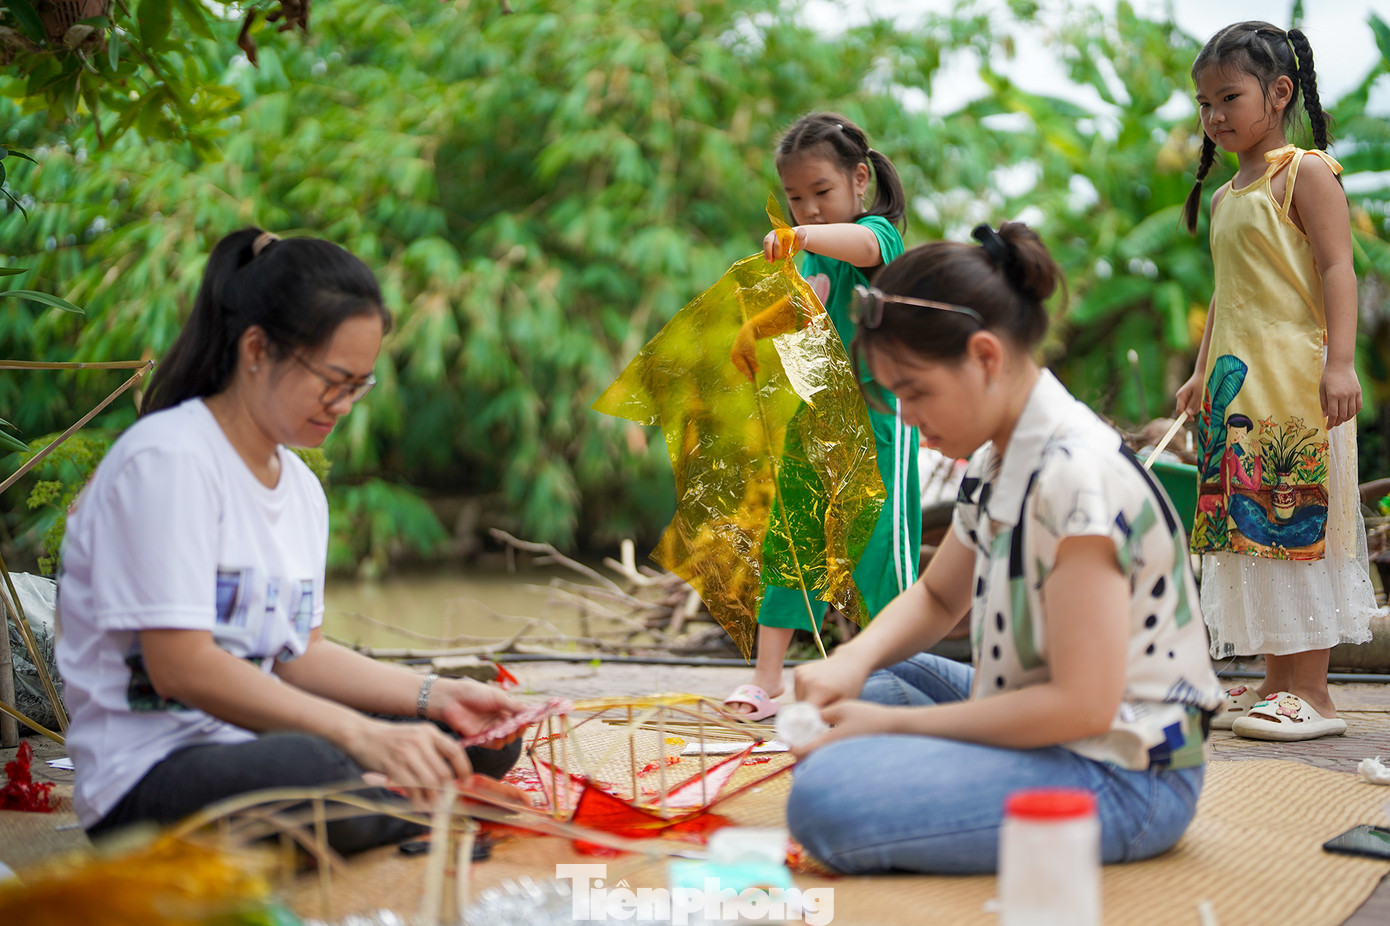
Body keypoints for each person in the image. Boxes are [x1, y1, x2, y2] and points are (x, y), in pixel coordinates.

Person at [56, 228, 526, 853]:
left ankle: (392, 794)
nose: (345, 405)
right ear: (257, 349)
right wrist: (362, 738)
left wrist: (438, 695)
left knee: (478, 737)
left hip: (258, 740)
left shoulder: (301, 488)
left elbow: (299, 657)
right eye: (334, 379)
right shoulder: (168, 461)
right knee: (314, 769)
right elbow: (180, 667)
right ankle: (394, 800)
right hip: (150, 777)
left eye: (360, 385)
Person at [783, 224, 1224, 874]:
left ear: (985, 357)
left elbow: (1084, 705)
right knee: (885, 678)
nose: (905, 415)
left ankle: (889, 764)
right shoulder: (1000, 458)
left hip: (1124, 773)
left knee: (827, 797)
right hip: (1055, 721)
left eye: (915, 391)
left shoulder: (1074, 478)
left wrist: (894, 731)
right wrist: (848, 660)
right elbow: (938, 595)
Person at [1175, 22, 1379, 741]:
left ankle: (1315, 696)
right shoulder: (1230, 194)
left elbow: (1335, 270)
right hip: (1238, 393)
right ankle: (1274, 681)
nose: (1214, 115)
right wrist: (1201, 375)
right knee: (1248, 533)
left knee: (1297, 525)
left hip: (1297, 386)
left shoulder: (1306, 172)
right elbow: (1229, 297)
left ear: (1279, 92)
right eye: (1204, 103)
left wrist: (1342, 362)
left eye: (1228, 97)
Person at [723, 112, 921, 720]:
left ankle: (892, 674)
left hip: (882, 425)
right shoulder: (813, 256)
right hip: (817, 418)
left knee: (881, 551)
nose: (808, 209)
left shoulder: (876, 236)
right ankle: (766, 680)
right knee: (791, 540)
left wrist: (804, 237)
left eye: (821, 193)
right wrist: (754, 331)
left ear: (860, 180)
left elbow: (861, 248)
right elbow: (808, 307)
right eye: (795, 199)